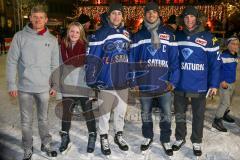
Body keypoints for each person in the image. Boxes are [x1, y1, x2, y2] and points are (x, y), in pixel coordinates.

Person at [6, 5, 59, 160]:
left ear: (46, 20)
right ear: (30, 18)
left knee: (43, 119)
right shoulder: (20, 37)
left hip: (44, 88)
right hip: (25, 88)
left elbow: (55, 65)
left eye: (41, 17)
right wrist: (11, 84)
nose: (38, 20)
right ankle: (27, 147)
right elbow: (11, 62)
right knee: (26, 121)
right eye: (35, 17)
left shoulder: (52, 40)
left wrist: (54, 84)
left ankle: (46, 143)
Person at [130, 2, 179, 156]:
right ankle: (148, 136)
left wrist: (173, 81)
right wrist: (133, 81)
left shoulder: (169, 34)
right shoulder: (138, 35)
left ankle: (165, 138)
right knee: (145, 112)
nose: (151, 15)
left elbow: (175, 60)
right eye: (148, 12)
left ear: (159, 14)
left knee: (166, 113)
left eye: (154, 12)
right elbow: (132, 60)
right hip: (145, 83)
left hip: (164, 84)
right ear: (145, 15)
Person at [172, 6, 221, 156]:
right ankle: (180, 138)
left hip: (199, 84)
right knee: (180, 113)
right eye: (186, 17)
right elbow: (172, 59)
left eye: (192, 17)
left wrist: (213, 84)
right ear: (182, 19)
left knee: (198, 115)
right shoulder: (177, 36)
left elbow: (216, 63)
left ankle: (196, 141)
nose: (189, 20)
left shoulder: (208, 37)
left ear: (197, 18)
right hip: (180, 83)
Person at [86, 3, 130, 156]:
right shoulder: (100, 33)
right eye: (114, 13)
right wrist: (91, 79)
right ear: (109, 15)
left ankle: (119, 135)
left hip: (123, 81)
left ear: (122, 16)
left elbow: (129, 56)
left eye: (119, 13)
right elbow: (92, 58)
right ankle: (104, 136)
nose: (116, 16)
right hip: (106, 80)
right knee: (104, 113)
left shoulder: (126, 33)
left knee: (120, 112)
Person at [58, 22, 97, 154]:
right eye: (72, 31)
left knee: (88, 113)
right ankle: (65, 136)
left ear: (81, 34)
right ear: (68, 32)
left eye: (77, 32)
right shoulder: (62, 46)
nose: (74, 34)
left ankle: (92, 134)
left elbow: (91, 69)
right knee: (66, 113)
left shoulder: (87, 48)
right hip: (68, 86)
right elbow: (60, 68)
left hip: (83, 86)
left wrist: (92, 90)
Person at [212, 36, 239, 132]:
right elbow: (218, 69)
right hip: (225, 83)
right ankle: (216, 121)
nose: (235, 46)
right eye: (233, 44)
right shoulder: (223, 55)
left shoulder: (235, 55)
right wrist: (222, 80)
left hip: (232, 82)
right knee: (225, 102)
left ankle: (224, 115)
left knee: (229, 101)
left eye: (237, 44)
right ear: (228, 45)